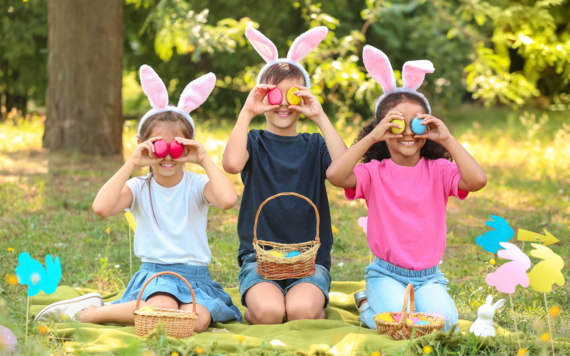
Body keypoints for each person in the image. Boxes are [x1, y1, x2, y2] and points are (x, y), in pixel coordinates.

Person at [35, 66, 242, 332]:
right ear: (143, 144)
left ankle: (113, 311)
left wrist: (203, 159)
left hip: (195, 278)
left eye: (177, 146)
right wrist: (132, 162)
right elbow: (101, 207)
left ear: (189, 145)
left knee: (197, 321)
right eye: (158, 147)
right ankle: (90, 313)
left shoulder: (197, 184)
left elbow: (227, 200)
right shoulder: (139, 187)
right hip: (155, 276)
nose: (167, 156)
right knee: (164, 310)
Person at [326, 45, 487, 330]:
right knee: (397, 326)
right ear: (383, 127)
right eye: (398, 124)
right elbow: (336, 175)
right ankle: (368, 307)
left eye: (417, 123)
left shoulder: (438, 171)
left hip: (430, 276)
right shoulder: (374, 173)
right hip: (385, 274)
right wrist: (372, 138)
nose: (409, 132)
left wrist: (448, 139)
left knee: (445, 325)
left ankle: (376, 305)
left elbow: (477, 181)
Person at [222, 26, 347, 325]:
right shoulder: (253, 141)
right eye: (274, 94)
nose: (283, 103)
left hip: (310, 260)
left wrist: (319, 116)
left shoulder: (316, 145)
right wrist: (247, 111)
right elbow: (231, 164)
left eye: (293, 94)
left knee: (301, 311)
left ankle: (312, 307)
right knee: (270, 313)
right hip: (260, 259)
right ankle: (264, 310)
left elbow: (346, 172)